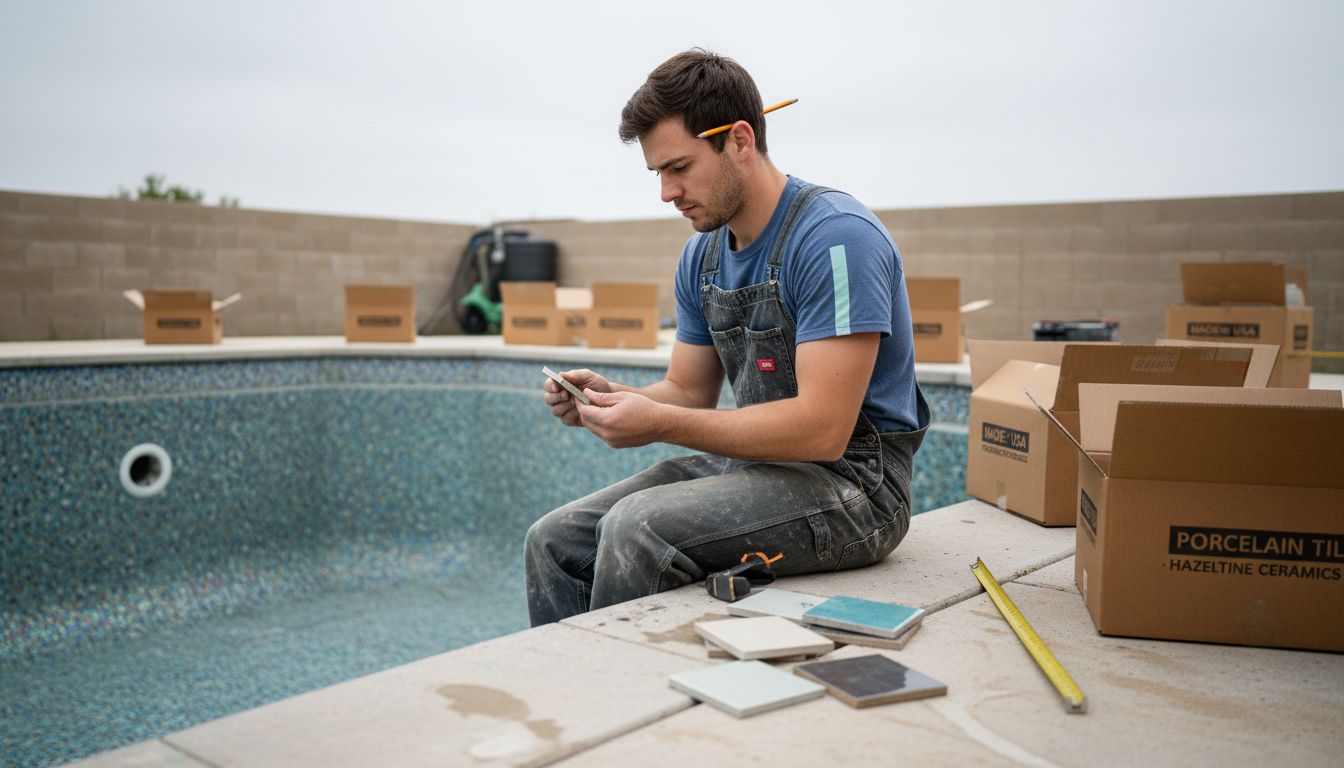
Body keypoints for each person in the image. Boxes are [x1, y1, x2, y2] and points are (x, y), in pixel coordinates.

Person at [524, 49, 929, 626]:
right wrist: (613, 397)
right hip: (760, 468)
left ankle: (629, 702)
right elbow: (688, 393)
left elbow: (823, 429)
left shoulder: (837, 239)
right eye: (658, 173)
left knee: (637, 529)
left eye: (679, 167)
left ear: (739, 140)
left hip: (859, 489)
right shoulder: (703, 255)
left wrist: (657, 424)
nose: (666, 192)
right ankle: (574, 704)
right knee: (554, 541)